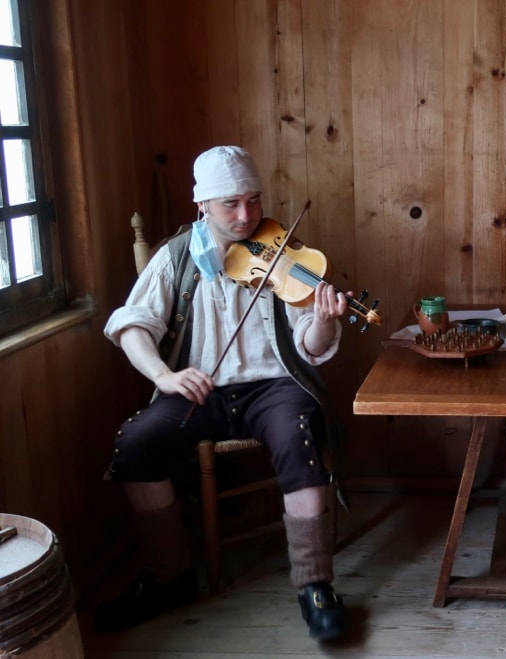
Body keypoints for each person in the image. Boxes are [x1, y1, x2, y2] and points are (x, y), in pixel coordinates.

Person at [96, 145, 350, 641]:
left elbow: (310, 347)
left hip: (275, 387)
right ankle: (171, 579)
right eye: (231, 204)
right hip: (199, 390)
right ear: (203, 206)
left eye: (253, 201)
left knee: (300, 435)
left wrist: (321, 320)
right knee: (135, 443)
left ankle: (315, 585)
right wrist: (164, 378)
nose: (246, 216)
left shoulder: (282, 255)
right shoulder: (175, 256)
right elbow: (131, 326)